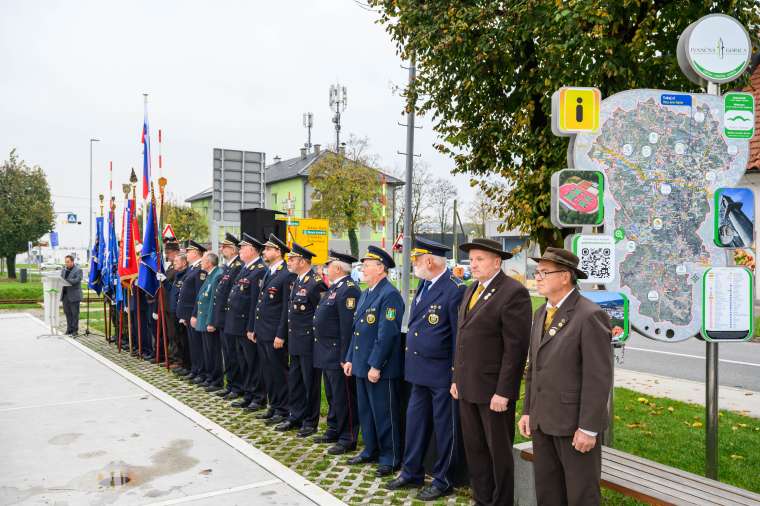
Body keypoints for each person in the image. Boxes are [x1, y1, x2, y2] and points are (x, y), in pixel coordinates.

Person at [518, 247, 613, 506]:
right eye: (536, 272)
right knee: (549, 494)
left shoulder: (589, 315)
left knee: (581, 495)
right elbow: (533, 367)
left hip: (573, 426)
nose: (537, 277)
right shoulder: (541, 313)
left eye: (544, 272)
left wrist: (588, 428)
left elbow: (599, 377)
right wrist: (528, 411)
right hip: (543, 421)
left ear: (565, 277)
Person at [451, 238, 531, 506]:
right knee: (475, 449)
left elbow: (515, 349)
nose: (473, 264)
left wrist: (504, 392)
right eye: (472, 259)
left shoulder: (513, 292)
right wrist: (456, 378)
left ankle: (501, 501)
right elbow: (462, 339)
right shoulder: (471, 289)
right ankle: (482, 498)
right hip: (467, 385)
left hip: (493, 392)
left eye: (480, 259)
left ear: (497, 262)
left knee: (498, 453)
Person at [386, 238, 465, 501]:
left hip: (441, 373)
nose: (414, 264)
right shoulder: (425, 283)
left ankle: (443, 479)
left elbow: (457, 338)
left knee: (444, 429)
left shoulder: (454, 289)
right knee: (415, 423)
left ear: (430, 261)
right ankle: (412, 471)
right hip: (419, 370)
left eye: (417, 260)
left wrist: (456, 374)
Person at [343, 245, 405, 477]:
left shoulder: (389, 295)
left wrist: (376, 365)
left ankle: (390, 457)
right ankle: (371, 449)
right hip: (361, 364)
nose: (362, 270)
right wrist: (350, 358)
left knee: (384, 414)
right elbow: (357, 329)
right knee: (366, 411)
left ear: (381, 268)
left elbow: (387, 334)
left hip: (379, 368)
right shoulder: (367, 292)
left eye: (366, 266)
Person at [274, 242, 327, 437]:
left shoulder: (315, 283)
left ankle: (310, 422)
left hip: (308, 343)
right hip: (295, 341)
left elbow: (321, 316)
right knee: (295, 381)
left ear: (303, 261)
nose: (290, 261)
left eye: (293, 259)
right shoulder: (297, 281)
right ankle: (295, 415)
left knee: (310, 382)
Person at [313, 250, 361, 455]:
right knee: (333, 395)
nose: (325, 269)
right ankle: (333, 428)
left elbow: (347, 327)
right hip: (326, 352)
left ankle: (347, 436)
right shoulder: (336, 288)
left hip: (337, 353)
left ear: (339, 268)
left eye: (328, 265)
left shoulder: (348, 290)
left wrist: (345, 357)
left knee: (344, 397)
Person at [250, 234, 296, 426]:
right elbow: (261, 303)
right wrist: (254, 328)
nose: (264, 252)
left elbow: (286, 308)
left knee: (278, 372)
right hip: (263, 330)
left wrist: (280, 334)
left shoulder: (286, 274)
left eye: (268, 249)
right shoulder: (270, 272)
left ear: (278, 251)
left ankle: (283, 409)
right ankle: (274, 405)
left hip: (274, 333)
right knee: (268, 370)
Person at [227, 234, 268, 409]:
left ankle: (258, 397)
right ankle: (248, 393)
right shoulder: (246, 268)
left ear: (251, 250)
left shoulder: (259, 270)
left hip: (246, 325)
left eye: (243, 248)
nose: (240, 250)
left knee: (253, 363)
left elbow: (254, 303)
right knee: (243, 361)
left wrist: (251, 327)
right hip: (237, 324)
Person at [209, 233, 245, 398]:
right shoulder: (228, 267)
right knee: (228, 354)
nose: (222, 249)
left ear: (232, 249)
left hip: (230, 318)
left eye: (224, 247)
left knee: (233, 354)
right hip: (223, 318)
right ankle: (231, 384)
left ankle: (237, 386)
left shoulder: (237, 266)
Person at [192, 252, 224, 391]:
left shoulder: (217, 275)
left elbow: (213, 301)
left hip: (208, 320)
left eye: (203, 261)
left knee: (213, 352)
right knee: (207, 351)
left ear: (210, 263)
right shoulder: (210, 275)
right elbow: (202, 297)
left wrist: (211, 321)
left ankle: (216, 380)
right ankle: (209, 377)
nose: (201, 263)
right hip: (203, 318)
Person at [177, 240, 207, 383]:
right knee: (192, 344)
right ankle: (194, 369)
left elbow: (198, 295)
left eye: (188, 251)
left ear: (196, 253)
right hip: (188, 314)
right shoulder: (192, 268)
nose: (186, 254)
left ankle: (200, 371)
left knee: (197, 345)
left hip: (193, 314)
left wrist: (194, 314)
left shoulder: (200, 269)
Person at [170, 254, 192, 376]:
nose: (174, 263)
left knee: (184, 340)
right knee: (178, 339)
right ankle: (182, 363)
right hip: (175, 311)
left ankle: (187, 365)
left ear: (184, 263)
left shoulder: (186, 274)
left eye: (177, 261)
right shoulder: (178, 275)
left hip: (182, 313)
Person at [60, 254, 83, 336]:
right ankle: (69, 329)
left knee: (75, 314)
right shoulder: (63, 270)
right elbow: (60, 279)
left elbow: (77, 280)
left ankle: (75, 331)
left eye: (68, 262)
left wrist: (66, 280)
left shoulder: (78, 270)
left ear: (72, 262)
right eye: (65, 262)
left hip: (74, 296)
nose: (66, 263)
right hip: (65, 296)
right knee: (67, 313)